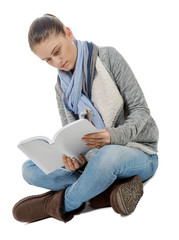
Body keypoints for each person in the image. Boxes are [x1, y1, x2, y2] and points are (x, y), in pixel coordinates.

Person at [12, 14, 159, 223]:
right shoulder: (61, 87)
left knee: (106, 156)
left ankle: (58, 205)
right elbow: (71, 134)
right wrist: (75, 160)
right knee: (29, 170)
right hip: (94, 162)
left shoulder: (108, 57)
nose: (57, 62)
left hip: (139, 152)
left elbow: (141, 109)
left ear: (69, 33)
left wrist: (112, 136)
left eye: (57, 51)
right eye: (48, 60)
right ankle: (105, 192)